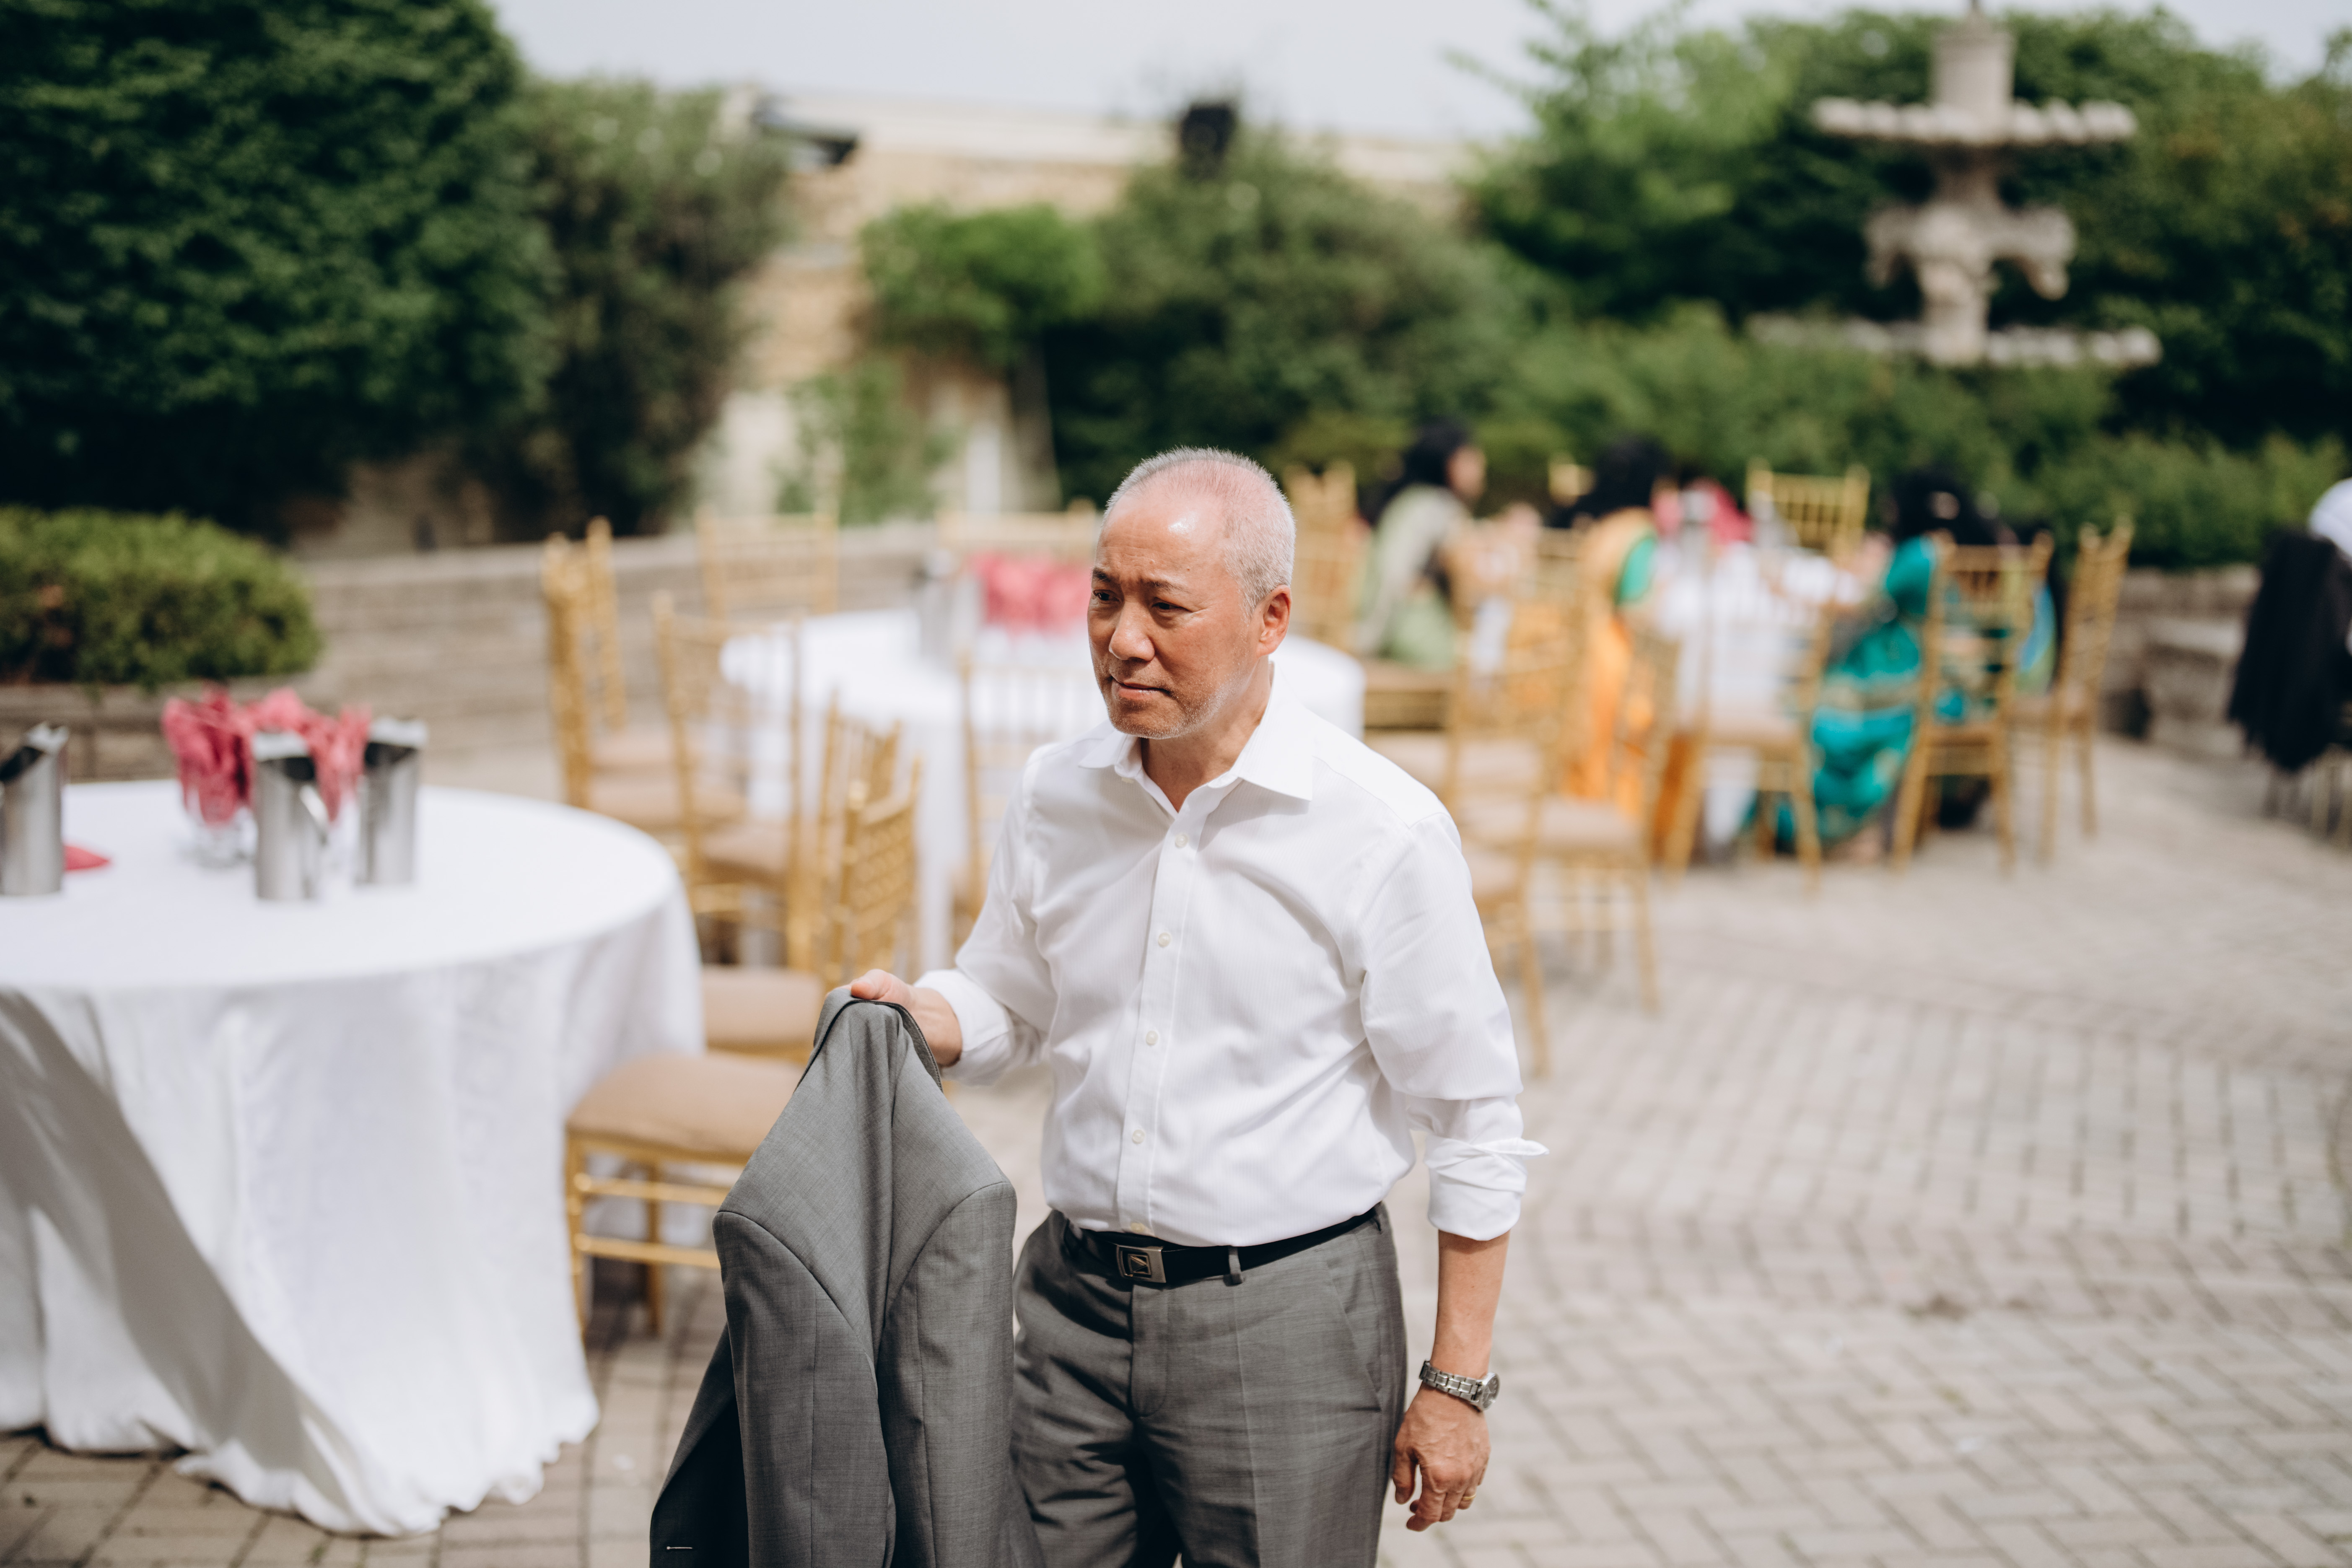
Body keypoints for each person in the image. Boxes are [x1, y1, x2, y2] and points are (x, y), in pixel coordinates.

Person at [850, 448, 1541, 1567]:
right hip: (1069, 1313)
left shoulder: (1380, 830)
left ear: (1270, 619)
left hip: (1286, 1326)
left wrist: (1454, 1385)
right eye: (1104, 597)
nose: (1123, 639)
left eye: (1164, 606)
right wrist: (923, 1015)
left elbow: (1473, 1119)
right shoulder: (1057, 792)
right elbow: (1011, 992)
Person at [1545, 435, 1668, 802]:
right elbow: (1633, 612)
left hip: (1570, 650)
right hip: (1610, 662)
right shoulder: (1639, 532)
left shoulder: (1598, 525)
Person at [1355, 420, 1486, 669]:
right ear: (1449, 464)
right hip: (1406, 629)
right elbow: (1470, 574)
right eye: (1470, 459)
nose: (1480, 467)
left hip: (1386, 622)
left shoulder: (1413, 501)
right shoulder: (1436, 507)